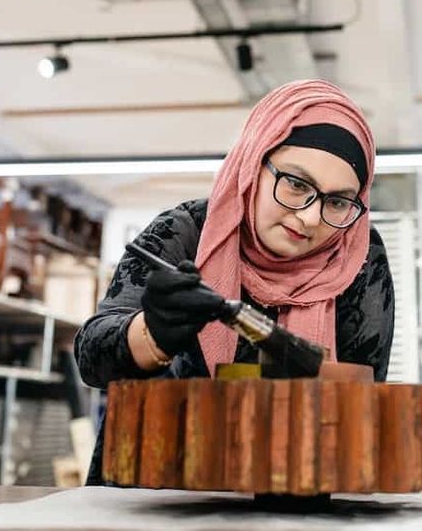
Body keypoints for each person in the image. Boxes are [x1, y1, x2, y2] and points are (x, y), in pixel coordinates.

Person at [74, 79, 395, 485]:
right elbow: (90, 360)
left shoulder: (358, 257)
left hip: (292, 496)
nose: (312, 218)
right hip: (156, 489)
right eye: (296, 185)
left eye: (336, 201)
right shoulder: (186, 233)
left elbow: (358, 399)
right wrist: (151, 333)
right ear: (253, 163)